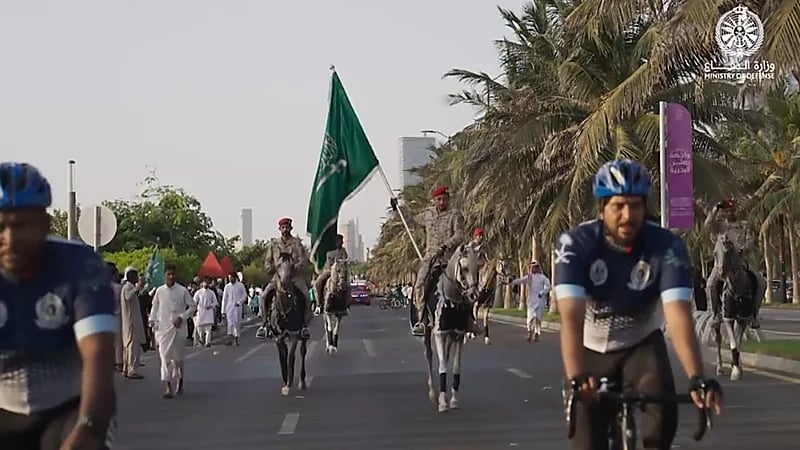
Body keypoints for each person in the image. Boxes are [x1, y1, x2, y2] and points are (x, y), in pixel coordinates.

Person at [554, 159, 723, 450]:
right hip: (590, 345)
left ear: (645, 206)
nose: (627, 215)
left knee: (662, 413)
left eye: (635, 205)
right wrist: (576, 376)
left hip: (640, 341)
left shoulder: (667, 247)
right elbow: (571, 319)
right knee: (586, 441)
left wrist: (697, 377)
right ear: (602, 207)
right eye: (618, 205)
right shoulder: (575, 244)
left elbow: (678, 315)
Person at [0, 162, 117, 449]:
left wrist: (89, 427)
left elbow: (98, 354)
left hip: (69, 407)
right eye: (0, 226)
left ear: (45, 224)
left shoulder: (80, 265)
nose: (10, 239)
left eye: (22, 226)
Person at [395, 185, 465, 336]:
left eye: (444, 199)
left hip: (449, 258)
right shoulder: (428, 214)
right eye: (439, 199)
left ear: (448, 200)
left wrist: (447, 245)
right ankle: (421, 319)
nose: (442, 202)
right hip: (430, 259)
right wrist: (398, 209)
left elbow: (460, 235)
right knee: (419, 286)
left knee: (468, 282)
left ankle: (469, 320)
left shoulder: (455, 215)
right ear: (434, 200)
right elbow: (412, 222)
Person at [704, 198, 763, 328]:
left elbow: (750, 241)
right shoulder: (719, 225)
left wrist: (743, 249)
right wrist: (715, 209)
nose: (729, 213)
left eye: (731, 210)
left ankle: (754, 315)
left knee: (760, 282)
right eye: (726, 211)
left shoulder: (744, 225)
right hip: (721, 263)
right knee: (710, 285)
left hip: (740, 261)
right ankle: (715, 314)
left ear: (735, 210)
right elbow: (707, 225)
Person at [257, 217, 311, 339]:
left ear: (291, 228)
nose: (285, 229)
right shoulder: (274, 244)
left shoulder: (297, 243)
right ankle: (264, 324)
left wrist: (293, 268)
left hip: (294, 277)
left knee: (306, 295)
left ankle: (304, 325)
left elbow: (303, 261)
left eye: (287, 227)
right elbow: (267, 262)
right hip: (278, 277)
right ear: (279, 229)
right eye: (283, 227)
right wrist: (273, 268)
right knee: (264, 295)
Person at [148, 263, 196, 399]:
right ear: (164, 275)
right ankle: (168, 386)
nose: (170, 276)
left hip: (179, 330)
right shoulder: (159, 291)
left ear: (176, 275)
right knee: (164, 358)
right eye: (168, 274)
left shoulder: (182, 291)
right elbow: (154, 308)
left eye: (173, 274)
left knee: (178, 360)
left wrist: (182, 317)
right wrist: (152, 322)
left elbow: (192, 306)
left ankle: (180, 381)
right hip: (163, 330)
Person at [511, 260, 551, 341]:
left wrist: (542, 292)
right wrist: (511, 281)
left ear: (538, 268)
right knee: (530, 318)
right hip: (531, 300)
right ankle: (529, 332)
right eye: (532, 267)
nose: (533, 269)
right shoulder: (528, 277)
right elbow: (520, 281)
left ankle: (537, 333)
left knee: (538, 318)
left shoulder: (542, 277)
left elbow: (548, 286)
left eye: (535, 267)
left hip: (539, 300)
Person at [120, 266, 146, 379]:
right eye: (135, 275)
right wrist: (137, 287)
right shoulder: (127, 287)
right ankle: (131, 370)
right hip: (130, 322)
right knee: (132, 347)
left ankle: (127, 368)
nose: (137, 278)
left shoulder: (129, 287)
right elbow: (128, 297)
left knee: (129, 346)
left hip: (132, 321)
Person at [313, 233, 349, 313]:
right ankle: (319, 304)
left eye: (341, 241)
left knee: (348, 286)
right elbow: (329, 263)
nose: (339, 243)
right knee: (317, 283)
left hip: (341, 272)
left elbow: (345, 261)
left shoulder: (343, 251)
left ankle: (346, 305)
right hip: (330, 271)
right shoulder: (330, 252)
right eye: (338, 241)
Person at [222, 272, 247, 346]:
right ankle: (229, 340)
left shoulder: (240, 285)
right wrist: (223, 311)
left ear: (235, 277)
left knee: (237, 324)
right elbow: (224, 299)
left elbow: (244, 295)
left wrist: (239, 302)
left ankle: (236, 339)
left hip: (237, 307)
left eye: (231, 277)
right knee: (230, 324)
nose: (230, 279)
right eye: (229, 278)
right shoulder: (227, 287)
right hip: (229, 307)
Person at [193, 276, 218, 347]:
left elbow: (215, 302)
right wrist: (194, 308)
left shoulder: (211, 293)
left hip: (209, 312)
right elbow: (194, 301)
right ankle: (201, 339)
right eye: (205, 282)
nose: (206, 284)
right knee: (199, 327)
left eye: (207, 283)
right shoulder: (198, 292)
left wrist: (211, 305)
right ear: (202, 283)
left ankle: (208, 342)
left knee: (208, 328)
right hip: (200, 312)